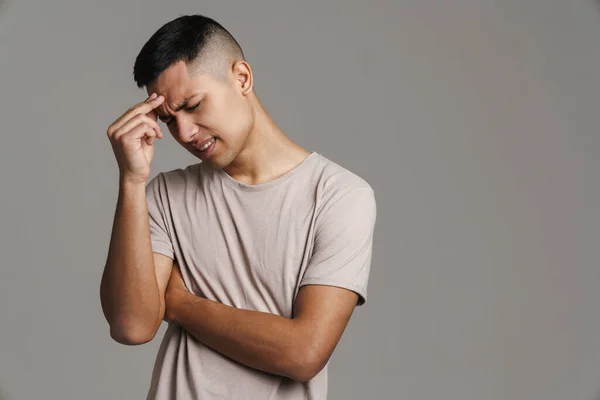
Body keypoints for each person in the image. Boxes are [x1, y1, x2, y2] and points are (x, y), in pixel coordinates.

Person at [100, 14, 377, 400]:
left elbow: (304, 352)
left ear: (242, 78)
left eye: (193, 105)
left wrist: (179, 304)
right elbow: (132, 326)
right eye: (168, 119)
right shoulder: (165, 194)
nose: (183, 133)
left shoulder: (339, 196)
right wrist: (131, 181)